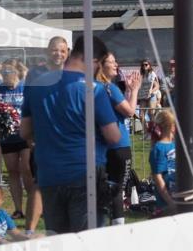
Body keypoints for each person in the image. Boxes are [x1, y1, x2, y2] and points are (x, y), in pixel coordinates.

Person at [20, 35, 121, 234]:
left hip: (49, 174)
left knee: (57, 241)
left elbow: (24, 131)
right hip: (85, 174)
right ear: (92, 60)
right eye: (99, 65)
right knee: (87, 242)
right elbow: (113, 136)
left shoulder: (37, 84)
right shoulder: (94, 90)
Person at [22, 36, 69, 233]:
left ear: (67, 53)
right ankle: (30, 231)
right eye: (55, 50)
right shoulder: (35, 73)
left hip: (67, 137)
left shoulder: (72, 73)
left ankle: (62, 228)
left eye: (62, 51)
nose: (58, 54)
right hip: (43, 137)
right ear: (47, 51)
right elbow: (28, 105)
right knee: (40, 183)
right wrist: (30, 135)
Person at [97, 50, 140, 225]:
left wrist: (129, 90)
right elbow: (129, 111)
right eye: (112, 62)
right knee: (116, 190)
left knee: (104, 189)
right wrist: (135, 90)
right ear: (101, 65)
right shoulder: (109, 88)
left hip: (101, 147)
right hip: (119, 146)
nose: (116, 65)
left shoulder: (94, 87)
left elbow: (120, 110)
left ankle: (104, 222)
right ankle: (117, 226)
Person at [0, 65, 31, 219]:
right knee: (13, 172)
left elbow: (32, 108)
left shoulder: (25, 87)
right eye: (4, 73)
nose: (6, 76)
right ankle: (19, 209)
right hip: (8, 137)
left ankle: (34, 206)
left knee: (27, 170)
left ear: (16, 72)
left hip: (25, 136)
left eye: (9, 72)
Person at [150, 109, 177, 210]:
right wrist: (170, 202)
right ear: (172, 127)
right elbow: (158, 179)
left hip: (178, 197)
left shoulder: (175, 145)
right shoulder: (158, 149)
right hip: (166, 204)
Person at [136, 59, 160, 130]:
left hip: (151, 96)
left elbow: (157, 86)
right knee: (141, 115)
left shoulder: (152, 74)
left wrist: (151, 91)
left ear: (149, 65)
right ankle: (146, 131)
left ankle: (154, 131)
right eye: (143, 65)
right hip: (143, 96)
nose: (144, 66)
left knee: (151, 114)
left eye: (146, 64)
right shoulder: (142, 75)